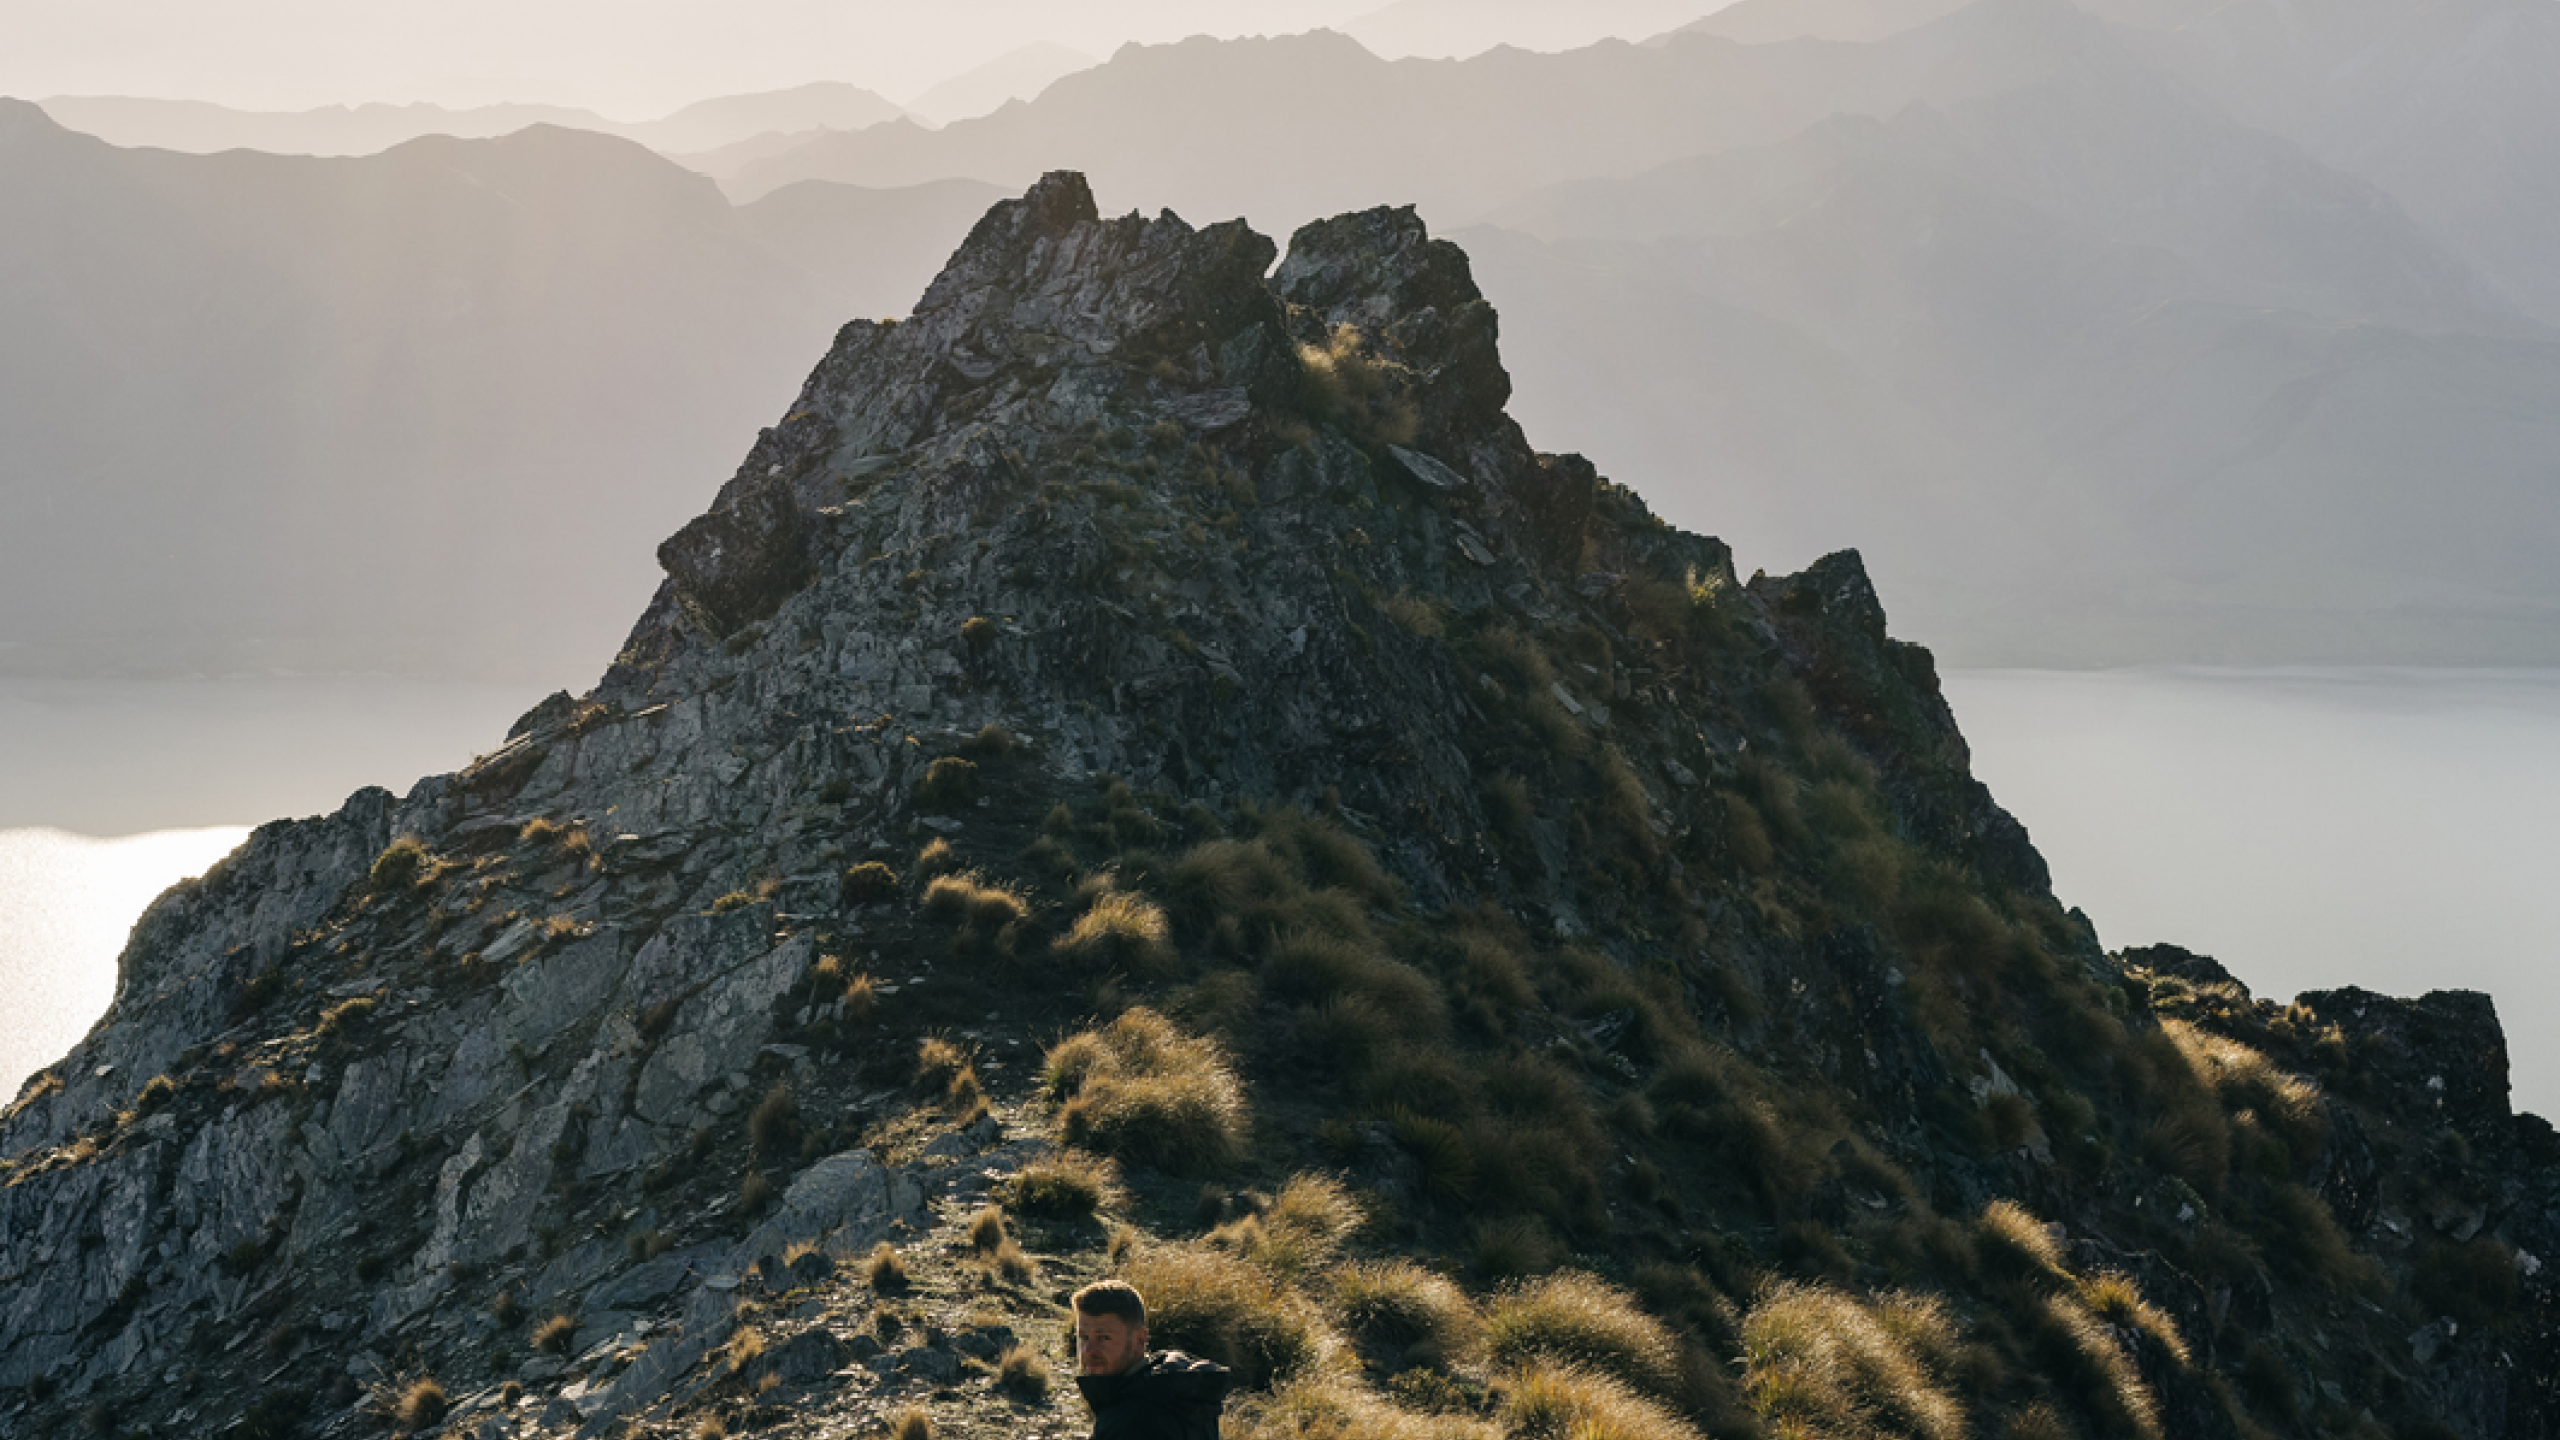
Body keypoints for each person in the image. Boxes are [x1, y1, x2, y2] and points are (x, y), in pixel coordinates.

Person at [1071, 1280, 1232, 1440]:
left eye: (1103, 1338)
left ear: (1139, 1340)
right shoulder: (1178, 1391)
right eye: (1083, 1337)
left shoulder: (1132, 1420)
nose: (1088, 1351)